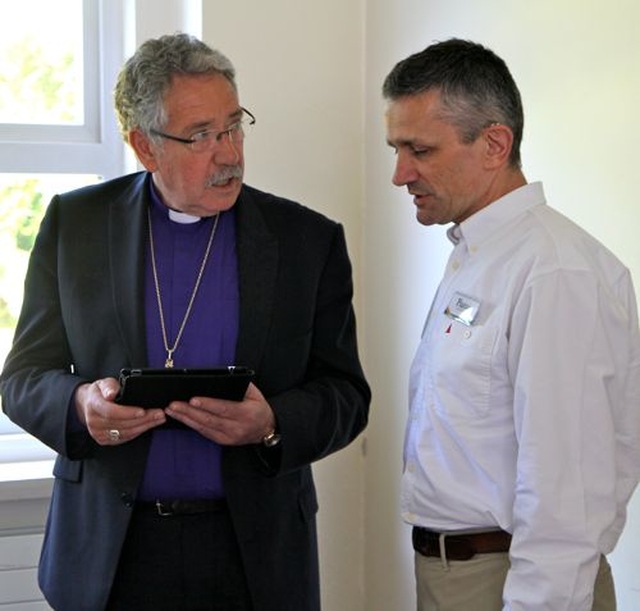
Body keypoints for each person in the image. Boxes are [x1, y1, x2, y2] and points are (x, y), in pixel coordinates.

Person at [0, 33, 370, 611]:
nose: (229, 153)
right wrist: (79, 406)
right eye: (201, 136)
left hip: (253, 555)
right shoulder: (76, 225)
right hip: (110, 556)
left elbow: (346, 394)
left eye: (233, 126)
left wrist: (271, 423)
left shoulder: (307, 240)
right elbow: (21, 379)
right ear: (144, 147)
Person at [383, 38, 640, 611]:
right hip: (456, 576)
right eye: (396, 148)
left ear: (495, 143)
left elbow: (565, 493)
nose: (400, 173)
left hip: (516, 585)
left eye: (419, 150)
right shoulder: (476, 255)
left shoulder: (555, 273)